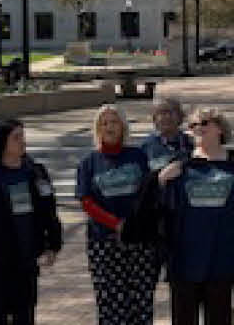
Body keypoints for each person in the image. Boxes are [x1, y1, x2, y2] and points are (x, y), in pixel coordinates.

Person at [158, 108, 234, 325]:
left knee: (219, 317)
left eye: (204, 123)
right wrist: (160, 181)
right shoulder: (178, 165)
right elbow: (157, 207)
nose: (198, 128)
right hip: (184, 258)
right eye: (192, 125)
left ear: (220, 128)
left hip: (221, 255)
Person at [0, 117, 62, 325]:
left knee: (24, 316)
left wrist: (53, 244)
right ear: (2, 142)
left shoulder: (36, 172)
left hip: (27, 261)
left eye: (23, 137)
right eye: (16, 138)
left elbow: (49, 210)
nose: (23, 142)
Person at [80, 104, 164, 325]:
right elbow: (86, 202)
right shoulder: (89, 163)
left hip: (139, 240)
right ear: (98, 128)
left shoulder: (137, 156)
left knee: (141, 299)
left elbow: (148, 194)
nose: (110, 127)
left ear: (123, 127)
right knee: (111, 301)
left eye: (114, 122)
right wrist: (115, 224)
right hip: (104, 242)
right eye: (104, 123)